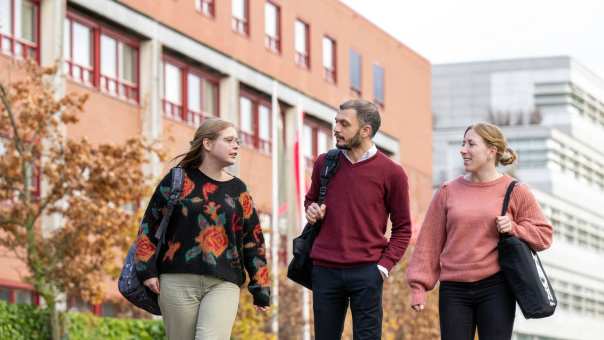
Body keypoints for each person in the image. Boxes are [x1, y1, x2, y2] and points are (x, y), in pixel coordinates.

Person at [407, 122, 553, 340]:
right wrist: (419, 286)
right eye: (463, 143)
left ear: (491, 152)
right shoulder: (447, 191)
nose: (463, 149)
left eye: (471, 144)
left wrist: (514, 228)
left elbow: (544, 235)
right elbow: (429, 242)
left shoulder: (515, 191)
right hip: (453, 289)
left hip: (496, 287)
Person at [134, 118, 270, 340]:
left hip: (224, 283)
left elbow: (253, 240)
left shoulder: (239, 190)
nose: (236, 145)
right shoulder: (177, 179)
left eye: (237, 141)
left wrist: (260, 287)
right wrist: (146, 270)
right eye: (228, 140)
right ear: (207, 143)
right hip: (176, 281)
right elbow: (149, 225)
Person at [305, 99, 412, 340]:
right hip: (325, 269)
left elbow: (403, 228)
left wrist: (383, 267)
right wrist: (311, 210)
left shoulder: (392, 173)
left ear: (365, 131)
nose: (337, 128)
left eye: (344, 124)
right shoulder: (325, 163)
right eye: (336, 122)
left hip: (367, 271)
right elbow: (310, 200)